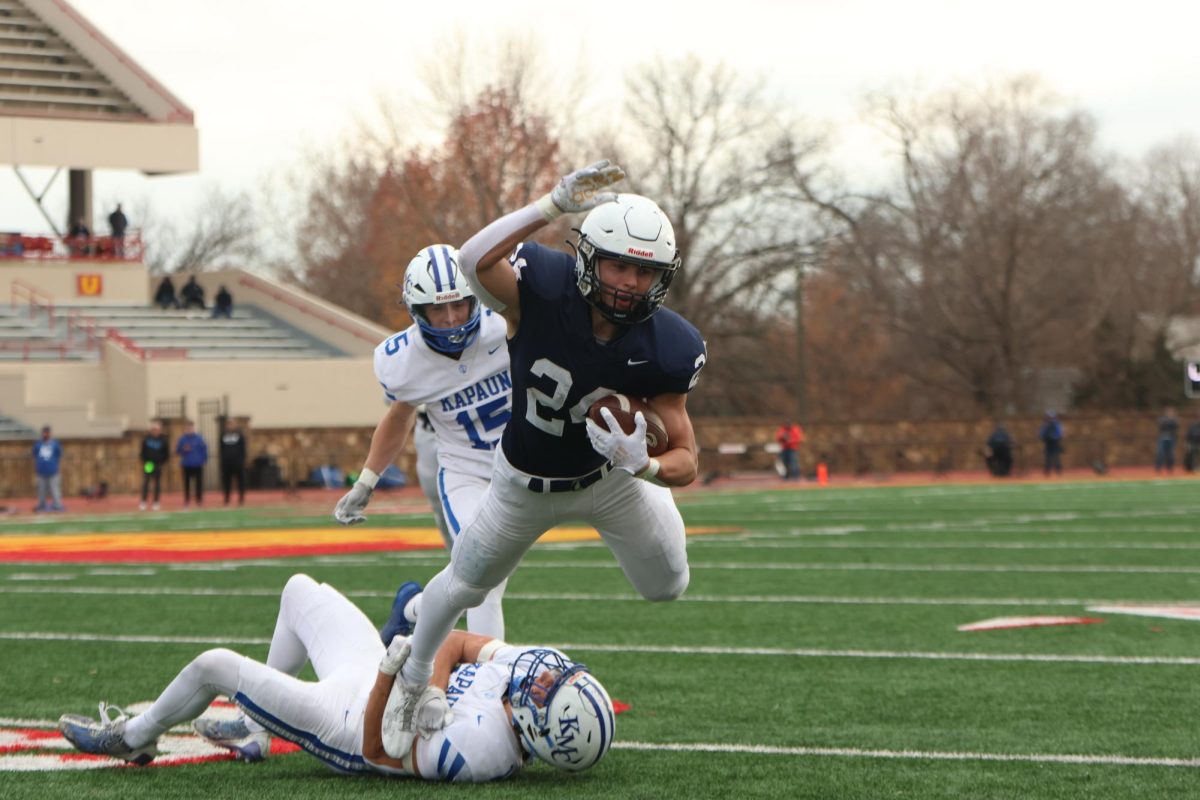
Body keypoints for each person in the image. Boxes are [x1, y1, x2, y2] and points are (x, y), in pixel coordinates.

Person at [383, 160, 706, 753]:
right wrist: (549, 207)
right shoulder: (544, 285)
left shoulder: (670, 343)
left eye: (645, 271)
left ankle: (639, 486)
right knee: (464, 583)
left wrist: (646, 464)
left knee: (668, 585)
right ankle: (412, 674)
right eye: (619, 264)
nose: (630, 282)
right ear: (588, 258)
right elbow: (472, 261)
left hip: (611, 477)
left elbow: (687, 453)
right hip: (523, 481)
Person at [57, 573, 614, 780]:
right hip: (385, 680)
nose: (542, 676)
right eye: (553, 679)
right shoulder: (532, 677)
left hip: (349, 725)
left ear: (541, 732)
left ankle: (132, 739)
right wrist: (429, 684)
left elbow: (377, 751)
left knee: (214, 665)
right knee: (299, 590)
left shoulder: (481, 751)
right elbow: (457, 641)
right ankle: (254, 728)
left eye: (546, 691)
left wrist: (393, 680)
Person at [334, 244, 512, 639]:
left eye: (459, 306)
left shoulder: (504, 323)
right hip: (465, 468)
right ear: (417, 311)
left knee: (471, 577)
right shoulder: (401, 360)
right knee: (480, 577)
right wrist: (366, 480)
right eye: (437, 309)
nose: (451, 320)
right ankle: (488, 681)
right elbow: (398, 417)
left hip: (525, 462)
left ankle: (412, 610)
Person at [32, 425, 65, 512]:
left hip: (53, 470)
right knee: (41, 490)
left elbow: (59, 454)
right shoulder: (38, 444)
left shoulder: (55, 444)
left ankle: (57, 505)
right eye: (44, 432)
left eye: (47, 432)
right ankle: (41, 505)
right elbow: (34, 454)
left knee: (55, 489)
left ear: (50, 433)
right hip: (41, 471)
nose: (45, 434)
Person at [176, 420, 208, 507]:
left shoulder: (200, 438)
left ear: (194, 428)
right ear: (185, 429)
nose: (190, 429)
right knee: (187, 484)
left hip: (198, 464)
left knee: (199, 483)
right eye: (188, 428)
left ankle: (199, 500)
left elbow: (204, 450)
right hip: (187, 464)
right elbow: (177, 451)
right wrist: (183, 449)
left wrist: (204, 460)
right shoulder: (182, 439)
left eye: (191, 428)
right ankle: (187, 500)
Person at [139, 420, 169, 510]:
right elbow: (142, 452)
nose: (155, 431)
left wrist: (162, 462)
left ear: (159, 430)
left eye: (156, 429)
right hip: (149, 464)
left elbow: (166, 453)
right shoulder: (146, 439)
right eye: (153, 429)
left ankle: (156, 502)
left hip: (158, 464)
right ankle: (143, 502)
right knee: (146, 483)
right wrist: (145, 461)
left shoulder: (163, 440)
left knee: (157, 484)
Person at [219, 418, 248, 505]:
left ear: (235, 425)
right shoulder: (223, 435)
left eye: (232, 424)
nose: (230, 425)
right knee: (227, 482)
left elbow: (243, 449)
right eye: (229, 424)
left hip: (238, 462)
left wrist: (242, 460)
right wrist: (223, 460)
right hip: (227, 463)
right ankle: (227, 498)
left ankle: (241, 498)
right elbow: (221, 448)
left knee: (240, 481)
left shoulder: (240, 435)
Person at [1155, 406, 1180, 474]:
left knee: (1171, 454)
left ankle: (1170, 468)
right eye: (1169, 412)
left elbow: (1176, 425)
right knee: (1161, 453)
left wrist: (1170, 421)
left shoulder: (1175, 419)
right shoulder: (1162, 419)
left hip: (1171, 438)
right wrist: (1169, 421)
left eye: (1171, 412)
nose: (1170, 413)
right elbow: (1161, 424)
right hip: (1163, 438)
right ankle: (1158, 468)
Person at [1038, 410, 1063, 477]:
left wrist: (1054, 437)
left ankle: (1058, 470)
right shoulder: (1045, 425)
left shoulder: (1056, 424)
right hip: (1048, 443)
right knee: (1048, 457)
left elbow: (1060, 434)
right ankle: (1047, 471)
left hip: (1054, 443)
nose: (1050, 418)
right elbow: (1041, 434)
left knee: (1056, 457)